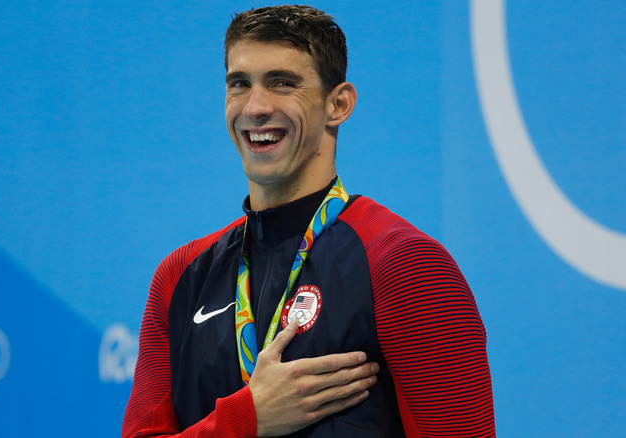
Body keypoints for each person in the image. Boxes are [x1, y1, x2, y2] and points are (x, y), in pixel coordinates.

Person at [122, 5, 495, 437]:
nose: (256, 107)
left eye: (283, 83)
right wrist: (248, 419)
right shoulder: (179, 277)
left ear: (338, 104)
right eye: (239, 84)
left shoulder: (403, 265)